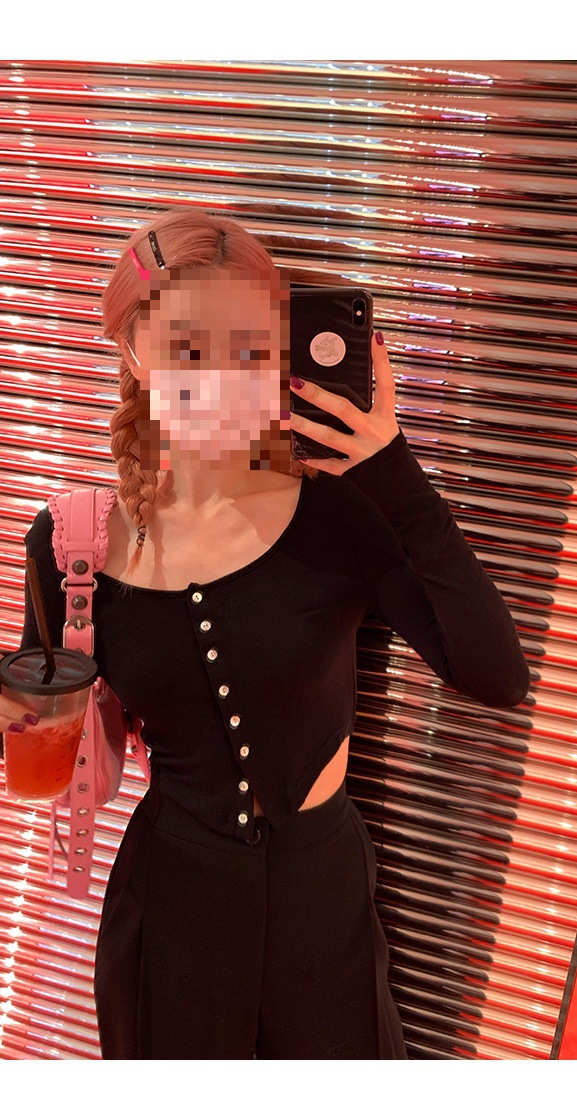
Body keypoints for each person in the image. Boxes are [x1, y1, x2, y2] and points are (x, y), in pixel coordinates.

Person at [16, 205, 531, 1059]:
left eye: (249, 350)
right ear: (136, 354)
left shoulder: (340, 512)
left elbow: (496, 674)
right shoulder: (73, 542)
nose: (222, 381)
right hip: (170, 905)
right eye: (189, 350)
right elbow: (38, 729)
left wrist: (392, 467)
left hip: (319, 903)